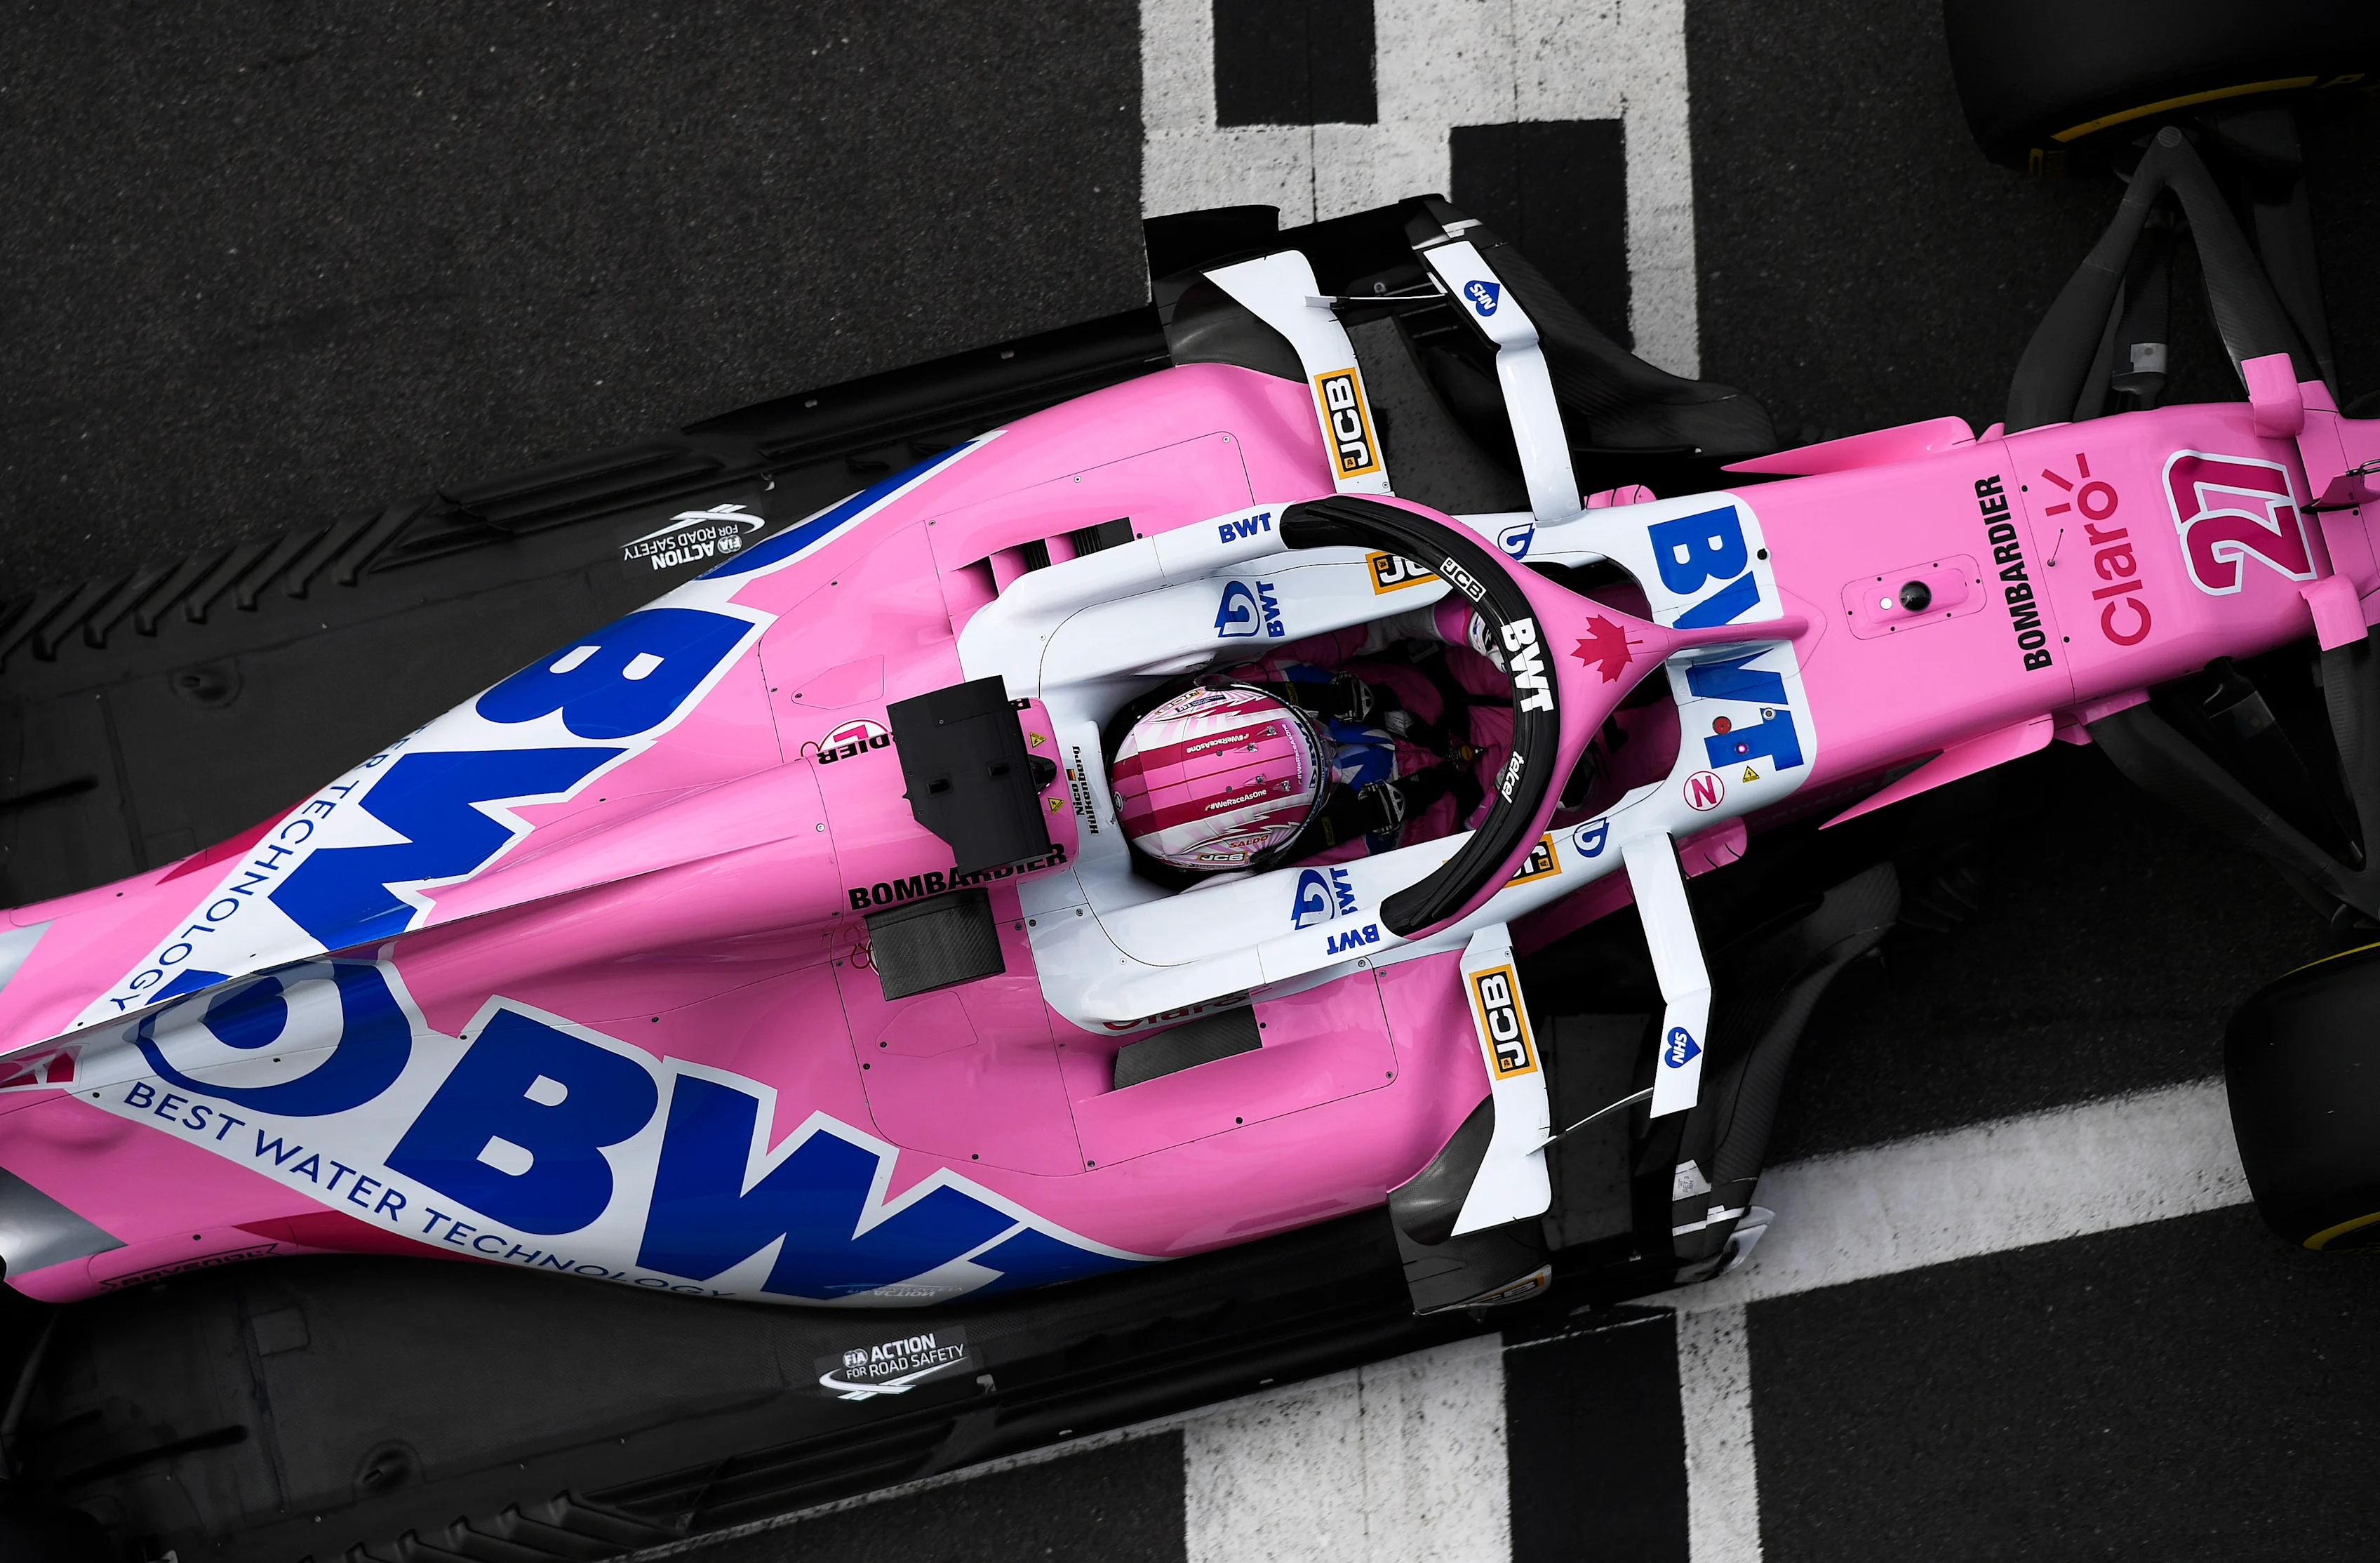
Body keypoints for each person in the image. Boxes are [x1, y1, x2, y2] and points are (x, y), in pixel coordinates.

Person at [1109, 598, 1516, 872]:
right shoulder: (1310, 866)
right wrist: (1500, 809)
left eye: (1307, 727)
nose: (1332, 746)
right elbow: (1448, 871)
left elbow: (1378, 620)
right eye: (1320, 780)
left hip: (1454, 683)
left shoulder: (1260, 676)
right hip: (1476, 809)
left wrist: (1470, 628)